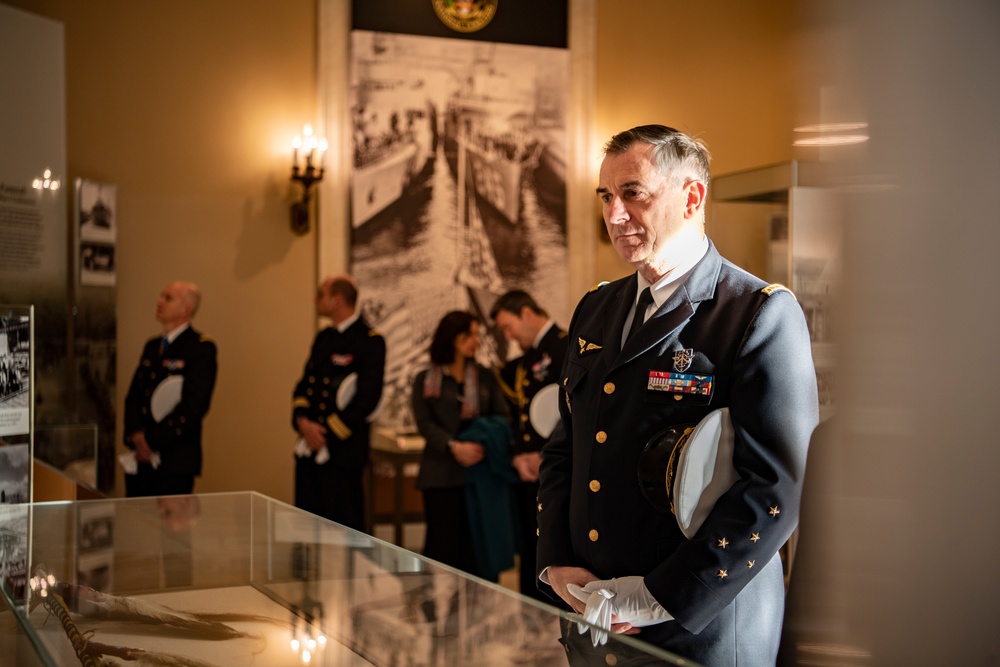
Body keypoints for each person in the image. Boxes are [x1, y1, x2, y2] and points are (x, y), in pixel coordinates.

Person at [536, 125, 819, 665]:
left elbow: (776, 489)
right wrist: (555, 565)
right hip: (594, 622)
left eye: (633, 194)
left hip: (700, 632)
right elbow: (566, 446)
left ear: (692, 197)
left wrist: (661, 595)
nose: (615, 215)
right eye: (606, 196)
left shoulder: (757, 313)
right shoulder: (596, 308)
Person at [411, 311, 515, 581]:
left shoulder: (485, 377)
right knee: (441, 551)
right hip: (440, 476)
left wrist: (479, 442)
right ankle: (436, 613)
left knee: (479, 551)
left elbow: (503, 417)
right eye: (470, 335)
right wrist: (453, 446)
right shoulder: (425, 379)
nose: (476, 341)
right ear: (452, 338)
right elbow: (424, 423)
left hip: (479, 475)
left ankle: (480, 617)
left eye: (478, 334)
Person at [490, 290, 568, 602]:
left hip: (555, 470)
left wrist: (545, 455)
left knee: (551, 552)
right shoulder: (527, 360)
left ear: (526, 313)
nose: (508, 336)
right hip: (528, 472)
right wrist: (518, 457)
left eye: (508, 327)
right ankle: (530, 617)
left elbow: (572, 410)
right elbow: (521, 416)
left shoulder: (566, 345)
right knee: (529, 550)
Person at [292, 274, 386, 532]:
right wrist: (303, 423)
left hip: (342, 452)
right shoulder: (324, 338)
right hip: (310, 448)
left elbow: (367, 398)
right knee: (306, 530)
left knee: (342, 534)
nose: (316, 300)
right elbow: (304, 386)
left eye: (320, 295)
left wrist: (326, 433)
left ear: (337, 300)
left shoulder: (369, 341)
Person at [123, 281, 218, 497]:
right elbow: (134, 396)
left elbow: (194, 406)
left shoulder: (200, 348)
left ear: (186, 308)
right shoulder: (152, 346)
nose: (159, 302)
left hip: (174, 462)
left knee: (170, 529)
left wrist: (151, 441)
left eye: (168, 298)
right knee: (137, 526)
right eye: (161, 296)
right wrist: (136, 436)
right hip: (140, 457)